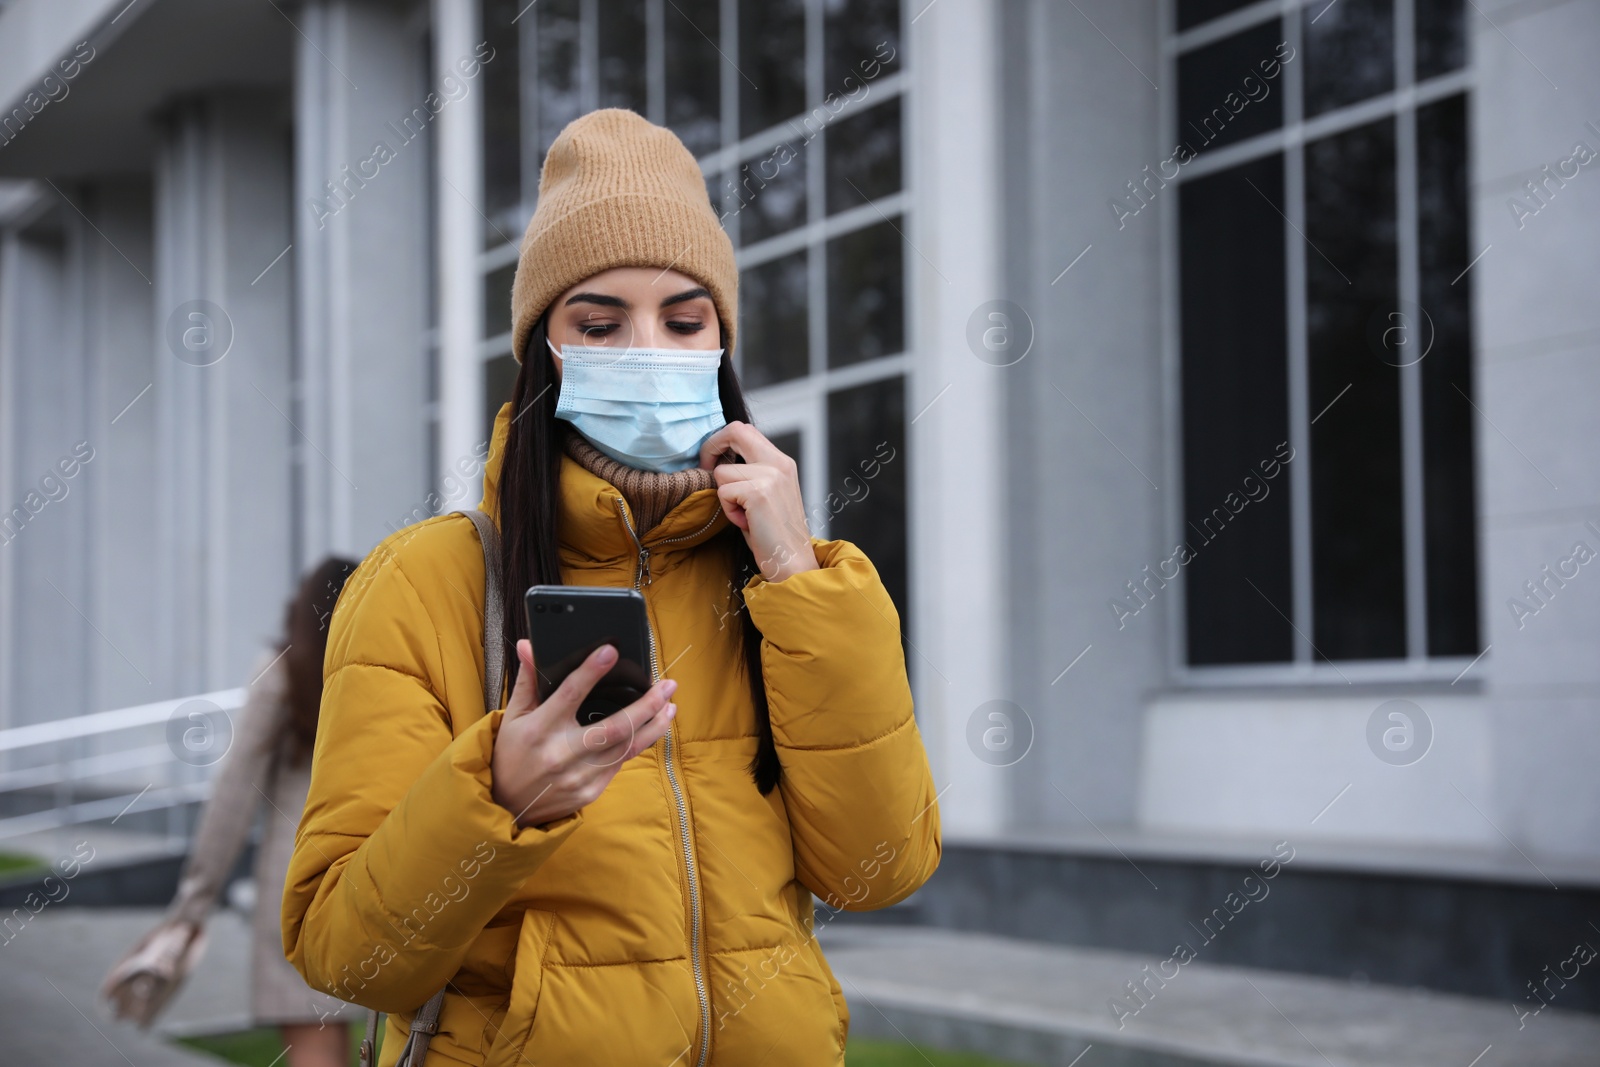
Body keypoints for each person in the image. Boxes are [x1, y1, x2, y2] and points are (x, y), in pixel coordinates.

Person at [281, 108, 941, 1066]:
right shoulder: (424, 581)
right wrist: (497, 796)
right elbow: (346, 954)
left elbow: (880, 870)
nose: (649, 350)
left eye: (685, 320)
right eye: (600, 322)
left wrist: (801, 580)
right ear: (546, 349)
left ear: (722, 343)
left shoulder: (791, 581)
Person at [104, 557, 359, 1067]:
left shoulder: (282, 671)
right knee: (350, 1037)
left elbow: (234, 796)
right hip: (369, 871)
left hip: (296, 885)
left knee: (311, 1037)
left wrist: (192, 905)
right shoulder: (380, 673)